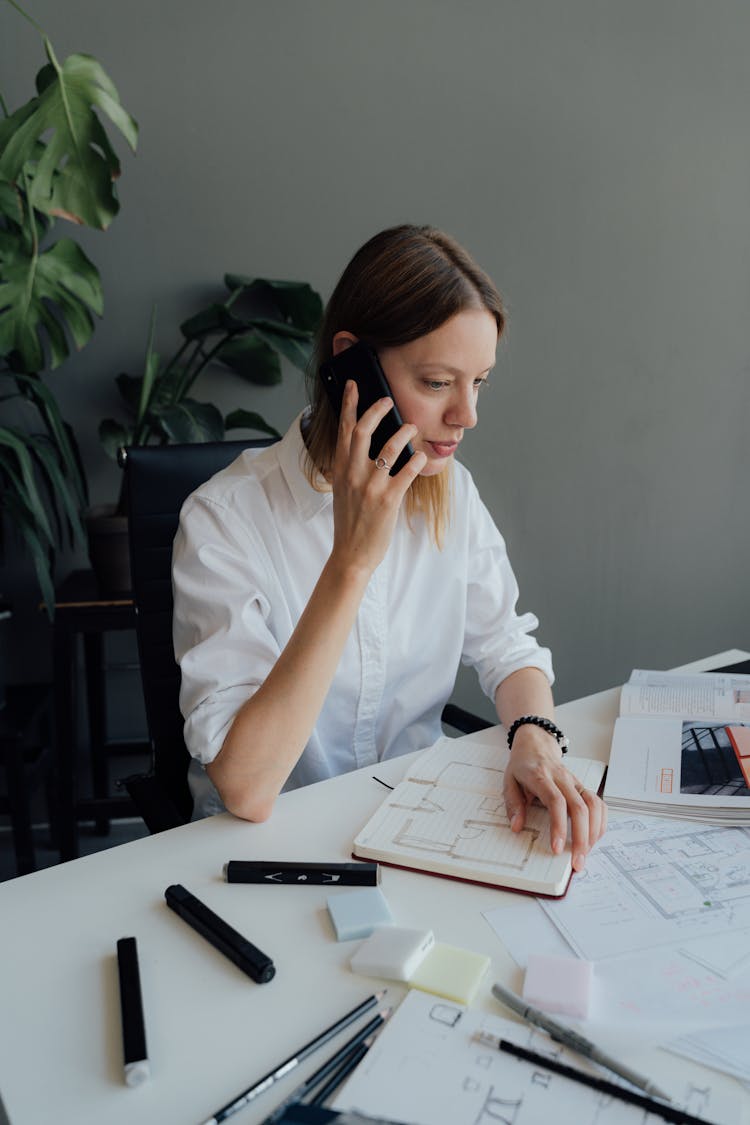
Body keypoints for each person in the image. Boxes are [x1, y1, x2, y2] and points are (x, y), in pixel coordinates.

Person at [172, 224, 607, 869]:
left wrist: (534, 739)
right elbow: (247, 788)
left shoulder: (449, 492)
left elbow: (507, 645)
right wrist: (350, 560)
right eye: (438, 383)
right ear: (353, 366)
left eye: (479, 381)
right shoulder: (224, 519)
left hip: (412, 830)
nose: (468, 415)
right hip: (261, 857)